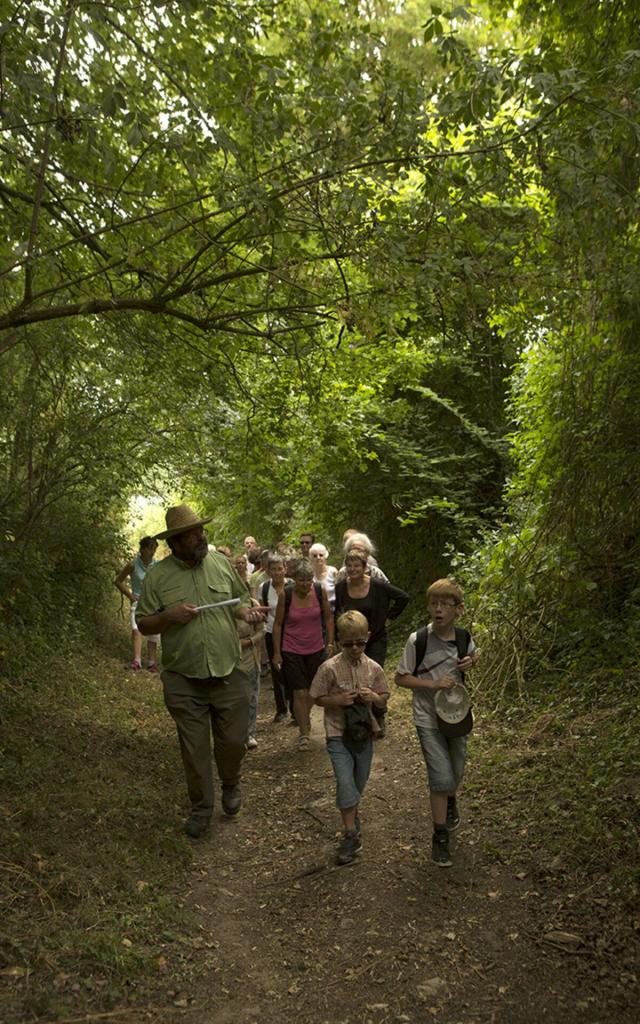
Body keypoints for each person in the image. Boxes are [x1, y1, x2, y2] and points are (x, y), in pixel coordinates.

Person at [136, 504, 266, 839]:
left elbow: (239, 602)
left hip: (228, 670)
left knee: (234, 741)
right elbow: (143, 620)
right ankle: (201, 808)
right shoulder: (158, 576)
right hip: (183, 678)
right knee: (194, 749)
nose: (200, 537)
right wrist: (169, 616)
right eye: (192, 534)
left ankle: (231, 782)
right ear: (175, 542)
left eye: (201, 531)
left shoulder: (221, 564)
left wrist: (247, 614)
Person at [395, 578, 477, 868]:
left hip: (457, 714)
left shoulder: (464, 638)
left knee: (456, 770)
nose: (439, 609)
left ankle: (451, 800)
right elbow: (401, 678)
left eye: (446, 604)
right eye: (434, 604)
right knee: (440, 776)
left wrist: (470, 663)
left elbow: (472, 658)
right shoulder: (418, 640)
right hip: (427, 718)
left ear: (459, 609)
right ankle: (439, 836)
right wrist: (431, 684)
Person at [310, 611, 389, 865]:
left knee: (358, 782)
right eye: (348, 643)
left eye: (360, 643)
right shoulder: (329, 668)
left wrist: (373, 698)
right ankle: (351, 835)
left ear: (367, 638)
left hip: (364, 735)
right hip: (337, 734)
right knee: (345, 782)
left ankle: (352, 814)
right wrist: (337, 700)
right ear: (339, 641)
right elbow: (316, 697)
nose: (355, 648)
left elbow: (384, 694)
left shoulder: (373, 668)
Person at [334, 550, 408, 736]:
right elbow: (338, 611)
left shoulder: (377, 585)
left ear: (365, 567)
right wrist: (337, 636)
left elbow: (403, 597)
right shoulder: (342, 587)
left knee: (373, 676)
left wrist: (389, 618)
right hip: (351, 641)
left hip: (375, 638)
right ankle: (359, 719)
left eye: (356, 566)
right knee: (353, 677)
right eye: (349, 566)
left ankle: (379, 714)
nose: (352, 569)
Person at [272, 557, 334, 750]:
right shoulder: (286, 595)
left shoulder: (318, 591)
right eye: (301, 580)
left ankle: (303, 718)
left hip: (316, 648)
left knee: (313, 692)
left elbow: (328, 618)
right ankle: (304, 733)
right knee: (299, 691)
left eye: (308, 580)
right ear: (294, 579)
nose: (306, 584)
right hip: (291, 649)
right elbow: (278, 624)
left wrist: (330, 643)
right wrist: (276, 653)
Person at [232, 556, 266, 751]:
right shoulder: (227, 609)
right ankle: (236, 735)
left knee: (252, 696)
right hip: (232, 659)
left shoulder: (253, 603)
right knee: (236, 699)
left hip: (251, 656)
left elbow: (262, 630)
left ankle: (250, 733)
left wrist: (250, 641)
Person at [114, 536, 160, 672]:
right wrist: (130, 596)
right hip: (138, 601)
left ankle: (152, 663)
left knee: (154, 631)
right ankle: (137, 660)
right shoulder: (132, 564)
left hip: (153, 602)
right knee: (136, 629)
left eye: (154, 549)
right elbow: (118, 581)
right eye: (150, 549)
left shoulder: (157, 565)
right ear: (142, 549)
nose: (152, 552)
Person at [260, 553, 292, 722]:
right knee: (276, 669)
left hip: (293, 633)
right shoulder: (264, 588)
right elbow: (262, 608)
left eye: (280, 569)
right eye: (273, 569)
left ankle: (295, 708)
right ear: (268, 571)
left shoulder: (292, 586)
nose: (277, 572)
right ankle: (281, 709)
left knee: (292, 669)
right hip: (272, 632)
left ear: (285, 569)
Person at [308, 542, 338, 609]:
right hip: (315, 607)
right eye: (315, 556)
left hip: (333, 606)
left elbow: (339, 591)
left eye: (321, 555)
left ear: (325, 556)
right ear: (310, 558)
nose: (318, 558)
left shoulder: (333, 571)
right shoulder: (309, 574)